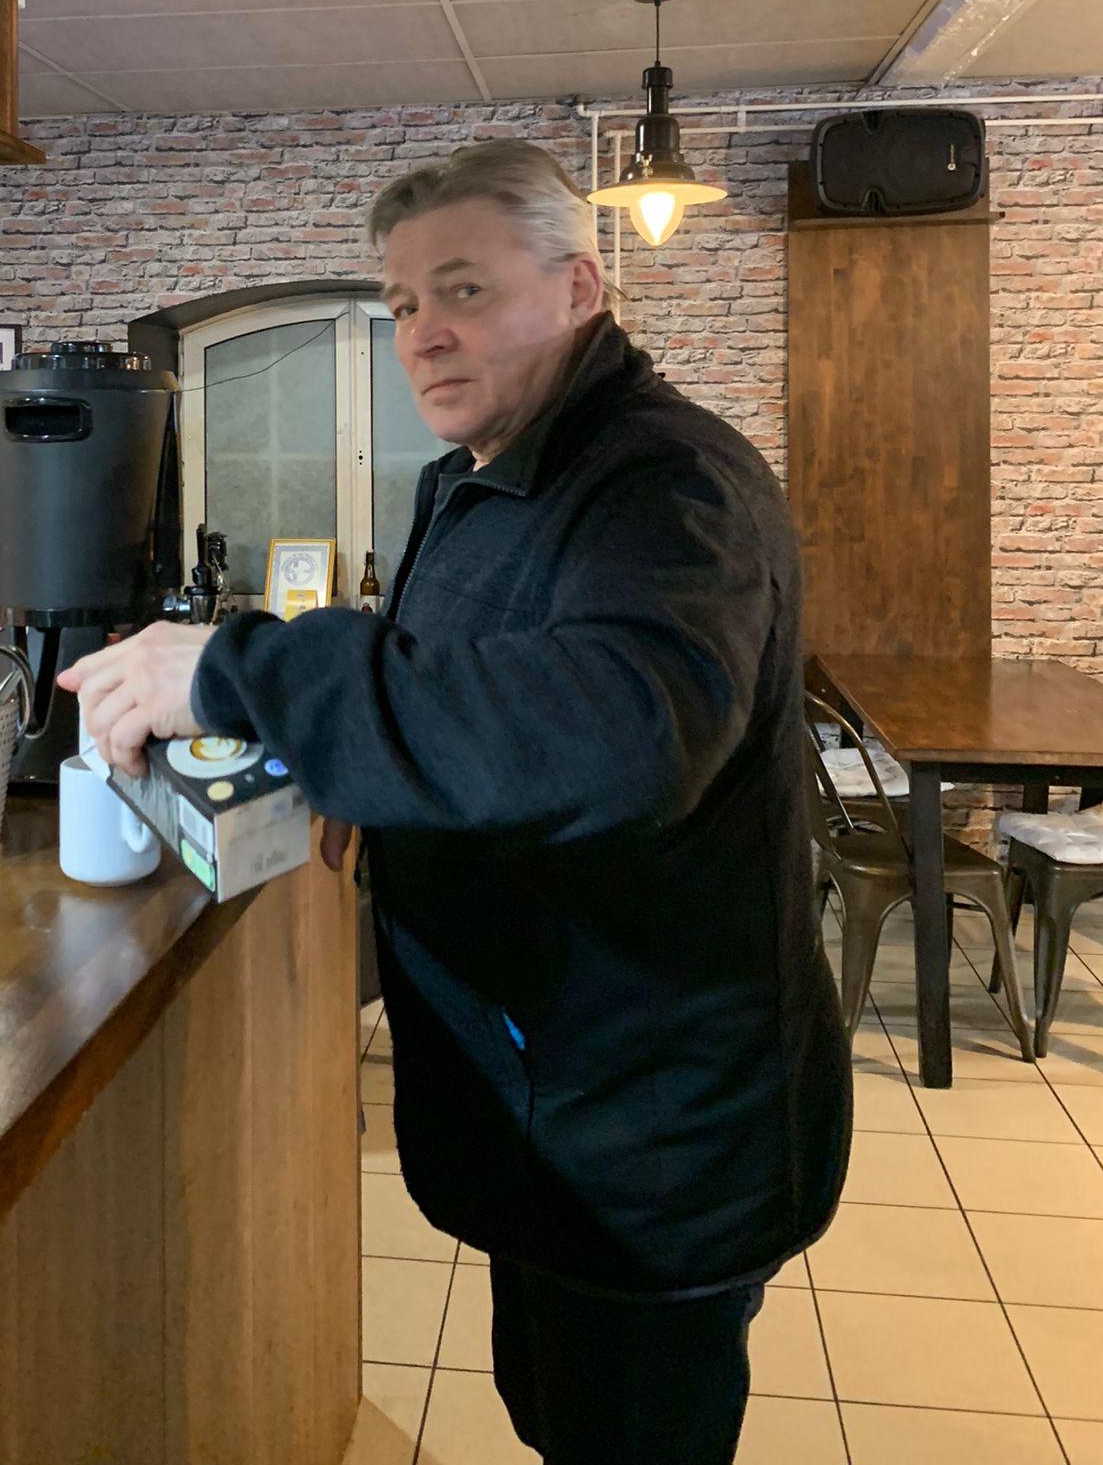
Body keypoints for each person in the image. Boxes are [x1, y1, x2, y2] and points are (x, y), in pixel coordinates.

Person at [60, 140, 852, 1465]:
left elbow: (622, 736)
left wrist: (245, 675)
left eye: (466, 290)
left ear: (581, 288)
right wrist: (360, 773)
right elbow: (472, 689)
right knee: (553, 1413)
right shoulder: (481, 472)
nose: (422, 334)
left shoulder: (666, 486)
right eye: (404, 304)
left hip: (647, 1131)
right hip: (549, 1104)